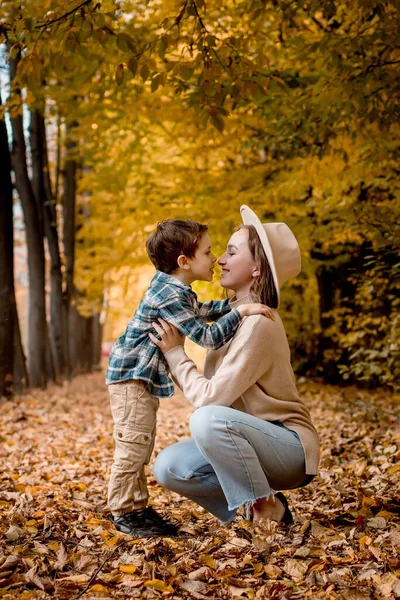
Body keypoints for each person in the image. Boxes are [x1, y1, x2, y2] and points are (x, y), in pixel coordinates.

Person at [150, 206, 320, 526]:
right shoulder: (229, 316)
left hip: (289, 448)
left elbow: (211, 400)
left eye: (230, 252)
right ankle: (252, 512)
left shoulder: (258, 322)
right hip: (246, 440)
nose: (220, 260)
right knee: (169, 466)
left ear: (257, 268)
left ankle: (263, 508)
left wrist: (176, 353)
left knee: (207, 419)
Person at [106, 218, 272, 537]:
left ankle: (136, 507)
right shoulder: (170, 294)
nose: (215, 259)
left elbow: (201, 310)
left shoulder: (177, 289)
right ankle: (124, 511)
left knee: (141, 442)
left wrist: (238, 303)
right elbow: (206, 337)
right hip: (130, 376)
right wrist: (240, 312)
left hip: (137, 377)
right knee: (133, 444)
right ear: (185, 261)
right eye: (208, 252)